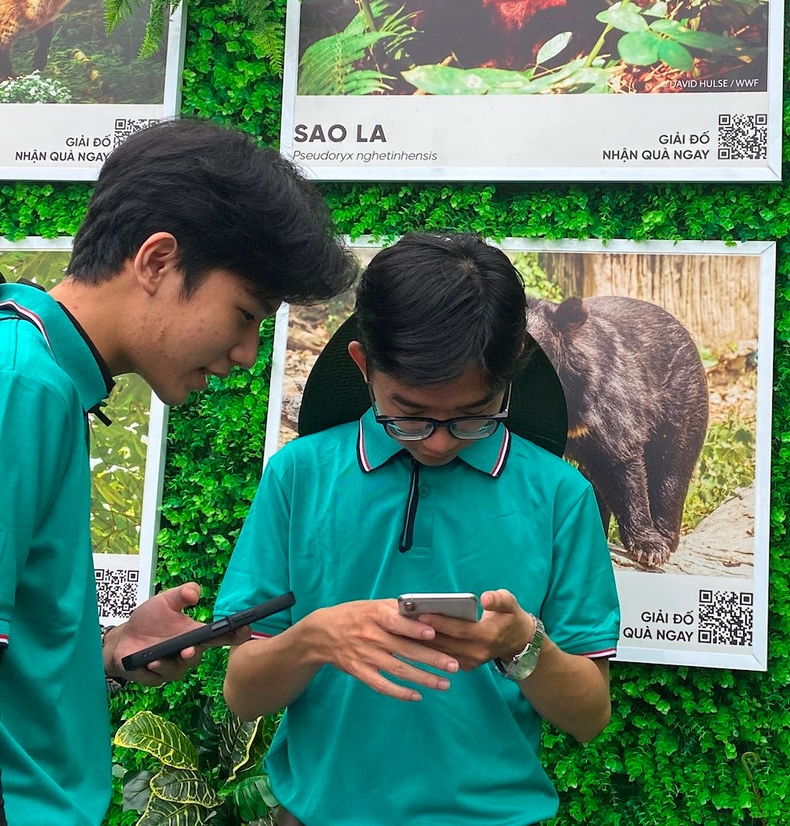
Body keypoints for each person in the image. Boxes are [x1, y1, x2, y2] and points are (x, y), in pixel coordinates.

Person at [0, 118, 357, 826]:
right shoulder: (11, 387)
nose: (245, 352)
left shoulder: (25, 366)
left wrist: (111, 654)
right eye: (243, 314)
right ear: (156, 261)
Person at [218, 231, 621, 826]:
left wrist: (521, 645)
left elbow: (589, 715)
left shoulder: (560, 496)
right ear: (363, 365)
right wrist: (316, 637)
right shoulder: (297, 476)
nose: (437, 440)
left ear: (510, 372)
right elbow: (243, 692)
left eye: (472, 415)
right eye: (408, 413)